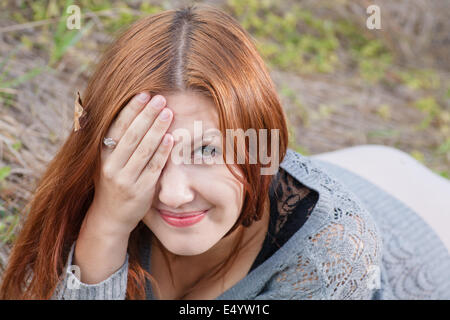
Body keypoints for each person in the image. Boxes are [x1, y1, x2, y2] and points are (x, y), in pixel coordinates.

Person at [1, 4, 449, 300]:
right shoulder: (109, 183)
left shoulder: (330, 256)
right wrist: (106, 224)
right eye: (149, 150)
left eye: (207, 150)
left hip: (424, 223)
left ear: (260, 141)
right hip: (348, 165)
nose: (174, 193)